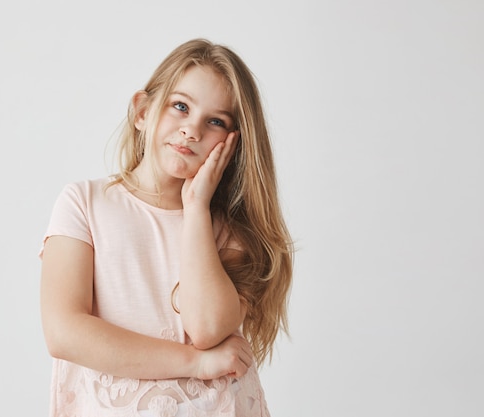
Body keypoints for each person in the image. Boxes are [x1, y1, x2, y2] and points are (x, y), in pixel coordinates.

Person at [39, 38, 294, 417]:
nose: (192, 130)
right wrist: (196, 363)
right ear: (142, 111)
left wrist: (195, 209)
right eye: (180, 106)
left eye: (215, 121)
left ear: (233, 144)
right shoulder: (84, 204)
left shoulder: (229, 232)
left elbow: (207, 327)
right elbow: (64, 332)